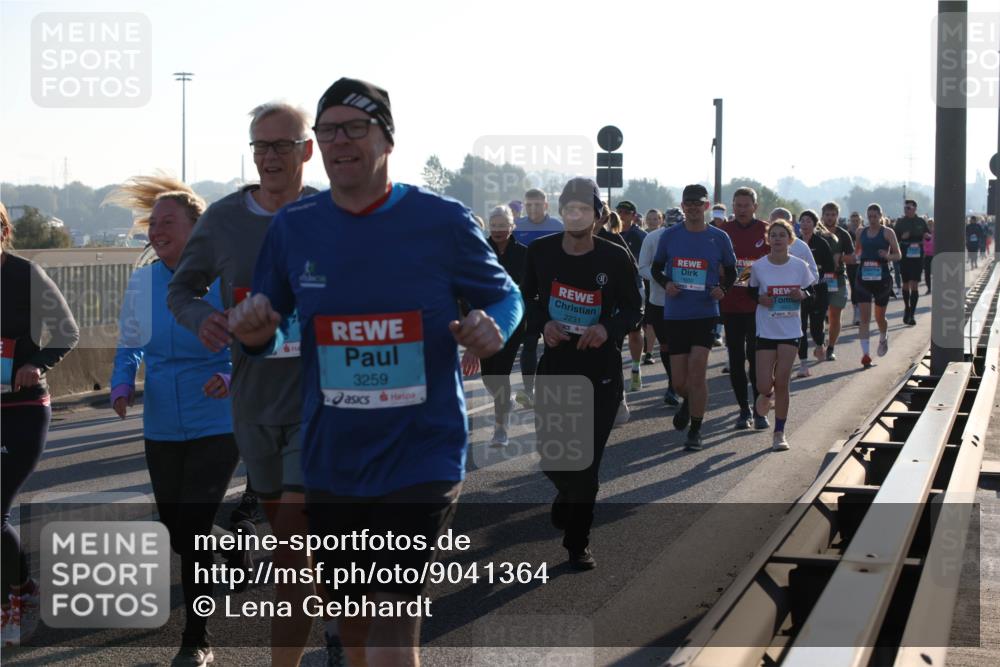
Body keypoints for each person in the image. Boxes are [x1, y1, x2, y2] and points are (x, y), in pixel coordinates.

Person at [227, 77, 522, 667]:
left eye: (354, 128)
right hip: (333, 459)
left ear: (386, 139)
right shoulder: (294, 228)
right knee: (355, 625)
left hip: (422, 452)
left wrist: (494, 325)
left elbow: (506, 295)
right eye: (328, 130)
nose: (339, 141)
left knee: (391, 618)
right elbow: (267, 320)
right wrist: (255, 335)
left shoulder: (442, 221)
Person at [165, 101, 336, 667]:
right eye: (259, 146)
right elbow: (182, 291)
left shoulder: (337, 211)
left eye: (281, 146)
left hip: (324, 404)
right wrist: (204, 319)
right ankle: (339, 609)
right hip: (255, 405)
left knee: (291, 543)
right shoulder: (223, 219)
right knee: (302, 546)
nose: (269, 157)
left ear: (306, 150)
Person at [105, 177, 237, 667]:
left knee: (194, 528)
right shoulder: (143, 281)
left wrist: (229, 373)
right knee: (177, 532)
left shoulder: (225, 276)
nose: (156, 230)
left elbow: (254, 338)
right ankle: (228, 548)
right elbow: (130, 342)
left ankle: (196, 639)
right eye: (152, 224)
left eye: (167, 222)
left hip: (217, 417)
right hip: (161, 419)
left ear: (196, 228)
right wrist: (121, 382)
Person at [521, 177, 642, 569]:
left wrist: (607, 327)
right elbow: (525, 300)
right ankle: (566, 495)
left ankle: (578, 543)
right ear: (561, 212)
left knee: (586, 462)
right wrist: (544, 324)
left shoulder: (615, 257)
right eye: (569, 208)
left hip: (600, 372)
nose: (575, 215)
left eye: (583, 209)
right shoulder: (540, 252)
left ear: (597, 215)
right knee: (554, 457)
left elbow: (633, 309)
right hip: (557, 366)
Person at [1, 202, 80, 647]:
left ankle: (21, 595)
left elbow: (67, 330)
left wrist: (35, 364)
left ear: (5, 229)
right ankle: (19, 593)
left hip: (23, 408)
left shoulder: (26, 274)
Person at [651, 184, 737, 450]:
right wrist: (666, 284)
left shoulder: (719, 237)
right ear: (683, 205)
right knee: (679, 383)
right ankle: (689, 403)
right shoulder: (670, 236)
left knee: (698, 371)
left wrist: (722, 290)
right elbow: (656, 268)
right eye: (688, 203)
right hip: (676, 313)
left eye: (698, 203)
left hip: (704, 313)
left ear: (706, 206)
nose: (692, 207)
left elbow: (733, 272)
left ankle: (696, 431)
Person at [461, 205, 527, 447]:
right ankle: (504, 402)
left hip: (512, 323)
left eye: (503, 225)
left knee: (501, 373)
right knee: (489, 376)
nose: (498, 230)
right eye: (495, 225)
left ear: (512, 227)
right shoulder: (478, 251)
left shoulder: (524, 254)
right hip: (483, 320)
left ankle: (501, 428)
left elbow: (529, 290)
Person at [749, 219, 813, 451]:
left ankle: (779, 433)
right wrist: (760, 299)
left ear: (790, 240)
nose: (777, 239)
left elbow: (811, 290)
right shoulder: (758, 266)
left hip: (790, 330)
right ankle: (767, 393)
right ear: (768, 239)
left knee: (784, 381)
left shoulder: (799, 265)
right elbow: (749, 290)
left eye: (781, 235)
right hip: (766, 329)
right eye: (773, 235)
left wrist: (802, 294)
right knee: (764, 383)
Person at [719, 187, 770, 429]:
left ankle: (760, 410)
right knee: (736, 359)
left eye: (746, 205)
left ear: (755, 207)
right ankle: (743, 410)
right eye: (737, 205)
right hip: (731, 306)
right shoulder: (723, 231)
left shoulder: (766, 230)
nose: (741, 209)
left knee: (756, 360)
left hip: (758, 307)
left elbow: (778, 262)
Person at [513, 188, 563, 409]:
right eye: (528, 205)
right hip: (528, 294)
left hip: (555, 293)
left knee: (558, 343)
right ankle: (528, 390)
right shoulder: (517, 228)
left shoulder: (558, 227)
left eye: (537, 204)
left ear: (546, 205)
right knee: (530, 341)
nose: (532, 208)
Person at [638, 207, 681, 407]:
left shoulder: (692, 237)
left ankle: (679, 384)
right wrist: (663, 279)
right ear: (664, 223)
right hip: (659, 301)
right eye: (669, 226)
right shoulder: (653, 238)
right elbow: (643, 267)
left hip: (687, 302)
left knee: (683, 347)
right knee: (666, 345)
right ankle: (672, 384)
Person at [855, 204, 902, 367]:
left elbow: (898, 255)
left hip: (882, 279)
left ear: (881, 216)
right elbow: (857, 252)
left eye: (875, 216)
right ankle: (866, 354)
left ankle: (883, 336)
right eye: (870, 216)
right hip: (863, 278)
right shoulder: (861, 232)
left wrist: (887, 256)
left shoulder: (888, 232)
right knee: (864, 318)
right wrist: (857, 257)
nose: (873, 219)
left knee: (879, 317)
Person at [795, 210, 836, 378]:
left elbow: (830, 268)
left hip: (818, 290)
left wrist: (819, 278)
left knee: (816, 327)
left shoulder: (821, 242)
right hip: (800, 292)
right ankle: (803, 364)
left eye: (808, 221)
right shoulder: (794, 244)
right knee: (801, 328)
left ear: (814, 224)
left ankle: (820, 343)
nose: (805, 224)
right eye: (802, 221)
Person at [616, 200, 648, 391]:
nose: (622, 215)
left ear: (633, 215)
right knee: (615, 333)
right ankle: (616, 374)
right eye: (619, 211)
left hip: (635, 287)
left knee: (635, 332)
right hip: (613, 290)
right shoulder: (611, 233)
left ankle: (635, 368)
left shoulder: (640, 236)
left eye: (626, 212)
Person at [820, 202, 855, 361]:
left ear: (837, 216)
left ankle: (831, 347)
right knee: (818, 315)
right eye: (827, 214)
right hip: (818, 281)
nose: (830, 217)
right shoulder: (816, 233)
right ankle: (820, 343)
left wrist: (840, 258)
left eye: (833, 214)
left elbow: (853, 258)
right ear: (822, 216)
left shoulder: (843, 234)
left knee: (835, 315)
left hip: (838, 279)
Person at [894, 199, 930, 325]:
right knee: (905, 283)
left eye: (909, 208)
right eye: (905, 208)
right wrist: (901, 237)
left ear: (915, 208)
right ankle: (907, 307)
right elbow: (894, 238)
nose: (906, 210)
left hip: (917, 255)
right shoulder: (900, 222)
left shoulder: (920, 221)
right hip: (905, 253)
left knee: (914, 284)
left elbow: (927, 234)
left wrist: (927, 237)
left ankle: (912, 314)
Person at [641, 209, 664, 365]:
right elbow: (643, 264)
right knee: (650, 321)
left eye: (655, 218)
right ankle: (648, 352)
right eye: (649, 218)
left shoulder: (663, 236)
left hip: (665, 284)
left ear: (661, 220)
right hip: (651, 283)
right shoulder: (646, 236)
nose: (652, 221)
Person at [847, 211, 864, 324]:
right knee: (854, 287)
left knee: (862, 287)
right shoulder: (847, 234)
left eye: (857, 221)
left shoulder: (865, 232)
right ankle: (856, 312)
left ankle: (862, 310)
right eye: (853, 221)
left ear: (860, 221)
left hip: (863, 263)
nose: (855, 223)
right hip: (851, 264)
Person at [923, 219, 935, 294]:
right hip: (926, 256)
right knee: (927, 273)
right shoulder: (924, 234)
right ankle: (929, 288)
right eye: (928, 224)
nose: (930, 226)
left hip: (935, 255)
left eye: (931, 224)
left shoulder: (936, 233)